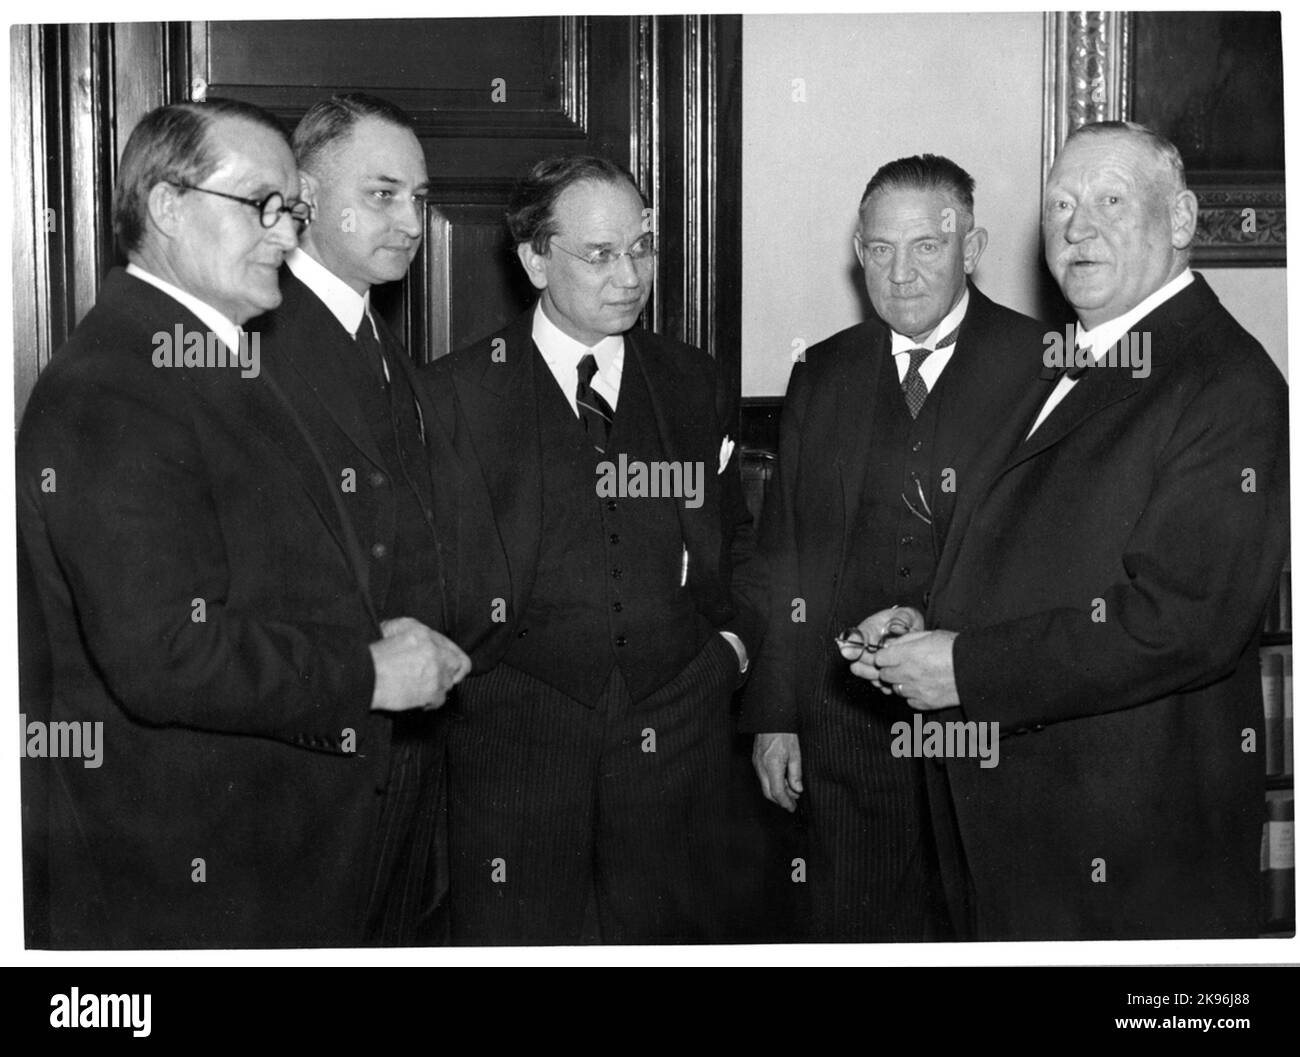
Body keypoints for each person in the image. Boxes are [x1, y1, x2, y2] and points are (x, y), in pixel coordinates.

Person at [17, 98, 462, 948]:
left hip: (270, 856)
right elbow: (163, 655)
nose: (287, 236)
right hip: (190, 874)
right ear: (166, 207)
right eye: (261, 205)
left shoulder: (213, 352)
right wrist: (366, 671)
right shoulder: (114, 387)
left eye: (291, 211)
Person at [862, 121, 1289, 940]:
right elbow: (1038, 549)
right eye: (1060, 203)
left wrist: (965, 665)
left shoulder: (1227, 381)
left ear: (1183, 220)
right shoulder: (1068, 357)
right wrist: (930, 626)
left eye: (1111, 201)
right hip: (1023, 824)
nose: (1076, 226)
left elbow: (1186, 622)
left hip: (1127, 840)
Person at [422, 154, 763, 944]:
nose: (630, 274)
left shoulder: (694, 381)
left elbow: (737, 538)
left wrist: (734, 650)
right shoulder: (455, 395)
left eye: (641, 248)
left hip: (677, 729)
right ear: (535, 257)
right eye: (600, 255)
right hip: (513, 738)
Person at [740, 154, 1048, 941]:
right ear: (859, 251)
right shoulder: (823, 375)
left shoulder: (1044, 369)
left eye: (927, 247)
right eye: (881, 249)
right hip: (847, 730)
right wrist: (775, 716)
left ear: (971, 248)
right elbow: (783, 559)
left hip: (986, 728)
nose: (901, 272)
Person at [255, 92, 471, 944]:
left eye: (418, 199)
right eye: (382, 194)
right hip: (310, 763)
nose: (412, 222)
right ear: (303, 194)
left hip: (401, 754)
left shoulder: (382, 343)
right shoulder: (255, 341)